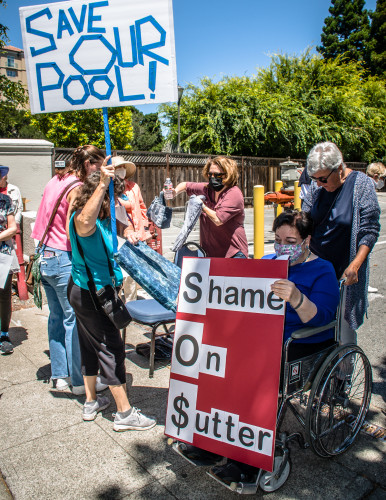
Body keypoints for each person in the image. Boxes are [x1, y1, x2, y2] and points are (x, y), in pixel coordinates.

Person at [177, 210, 340, 484]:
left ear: (307, 240)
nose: (281, 246)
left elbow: (323, 317)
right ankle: (212, 437)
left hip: (300, 340)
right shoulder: (268, 261)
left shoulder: (322, 269)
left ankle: (247, 459)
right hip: (259, 337)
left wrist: (297, 297)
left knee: (248, 373)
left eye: (290, 240)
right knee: (214, 361)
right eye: (277, 239)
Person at [67, 160, 156, 431]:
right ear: (101, 196)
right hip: (92, 293)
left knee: (90, 347)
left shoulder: (103, 219)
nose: (117, 202)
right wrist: (103, 185)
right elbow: (86, 221)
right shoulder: (84, 218)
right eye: (113, 198)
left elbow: (116, 229)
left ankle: (92, 401)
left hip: (85, 290)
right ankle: (124, 413)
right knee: (111, 348)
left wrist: (128, 231)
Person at [31, 147, 108, 394]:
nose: (101, 170)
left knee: (55, 318)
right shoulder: (76, 186)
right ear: (88, 163)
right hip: (63, 257)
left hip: (44, 255)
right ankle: (78, 381)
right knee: (72, 320)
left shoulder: (56, 179)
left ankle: (59, 375)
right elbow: (70, 229)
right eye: (99, 165)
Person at [303, 142, 380, 346]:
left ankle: (344, 375)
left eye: (322, 179)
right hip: (317, 268)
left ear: (339, 168)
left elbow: (370, 230)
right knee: (314, 323)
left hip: (344, 271)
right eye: (314, 179)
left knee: (343, 332)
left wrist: (355, 265)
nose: (318, 184)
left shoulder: (361, 185)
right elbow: (305, 218)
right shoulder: (316, 187)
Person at [171, 156, 248, 258]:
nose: (212, 177)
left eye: (217, 175)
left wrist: (201, 205)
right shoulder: (207, 189)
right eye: (210, 174)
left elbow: (218, 219)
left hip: (233, 253)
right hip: (210, 253)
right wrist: (174, 192)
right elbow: (185, 185)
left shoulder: (233, 194)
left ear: (228, 175)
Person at [112, 156, 151, 300]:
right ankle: (116, 302)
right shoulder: (109, 189)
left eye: (122, 168)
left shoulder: (133, 186)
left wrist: (145, 228)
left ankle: (131, 303)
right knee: (117, 271)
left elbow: (141, 208)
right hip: (117, 235)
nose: (120, 171)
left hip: (135, 233)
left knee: (132, 274)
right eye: (117, 168)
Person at [0, 166, 19, 354]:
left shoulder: (5, 201)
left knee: (4, 296)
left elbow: (12, 227)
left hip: (2, 253)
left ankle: (4, 334)